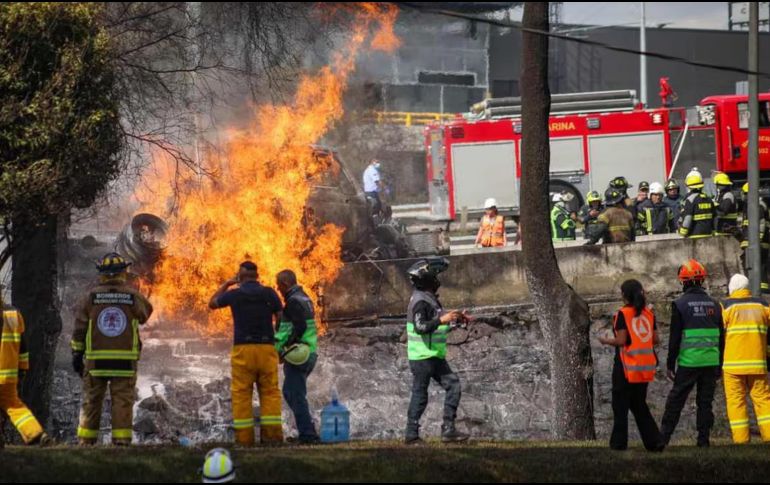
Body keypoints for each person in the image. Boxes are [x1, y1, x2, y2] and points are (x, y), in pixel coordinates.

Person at [71, 252, 153, 445]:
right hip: (124, 361)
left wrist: (76, 354)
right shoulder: (132, 296)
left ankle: (86, 443)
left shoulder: (90, 297)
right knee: (122, 402)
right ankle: (121, 443)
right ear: (123, 272)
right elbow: (145, 315)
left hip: (95, 361)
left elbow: (79, 328)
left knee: (91, 401)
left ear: (102, 274)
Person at [209, 261, 283, 446]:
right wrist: (276, 336)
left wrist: (227, 284)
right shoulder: (269, 293)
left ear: (240, 277)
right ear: (257, 276)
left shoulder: (234, 294)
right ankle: (272, 438)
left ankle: (244, 440)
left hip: (243, 350)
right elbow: (280, 316)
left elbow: (212, 303)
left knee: (242, 394)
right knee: (270, 393)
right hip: (267, 349)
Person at [404, 257, 470, 444]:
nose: (437, 280)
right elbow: (421, 328)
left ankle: (448, 429)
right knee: (420, 394)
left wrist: (455, 321)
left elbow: (436, 328)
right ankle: (411, 435)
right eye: (434, 277)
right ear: (425, 279)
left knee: (453, 385)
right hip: (422, 357)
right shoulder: (420, 301)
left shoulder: (430, 300)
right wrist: (442, 319)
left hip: (434, 355)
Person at [660, 259, 723, 447]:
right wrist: (719, 363)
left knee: (675, 401)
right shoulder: (715, 304)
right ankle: (703, 441)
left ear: (683, 281)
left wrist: (670, 364)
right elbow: (722, 337)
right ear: (702, 280)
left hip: (689, 362)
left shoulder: (680, 304)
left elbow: (675, 338)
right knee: (705, 403)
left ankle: (662, 440)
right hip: (711, 361)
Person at [599, 279, 664, 452]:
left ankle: (619, 444)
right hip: (644, 368)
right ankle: (654, 441)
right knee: (639, 405)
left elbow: (621, 340)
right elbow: (656, 339)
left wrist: (605, 340)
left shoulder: (623, 314)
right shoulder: (648, 314)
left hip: (626, 367)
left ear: (624, 296)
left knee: (620, 406)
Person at [720, 274, 770, 443]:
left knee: (736, 402)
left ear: (731, 289)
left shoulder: (725, 306)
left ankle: (741, 442)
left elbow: (719, 334)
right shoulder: (763, 305)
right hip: (758, 364)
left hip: (733, 366)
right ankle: (769, 437)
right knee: (763, 401)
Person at [275, 269, 320, 444]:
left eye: (279, 286)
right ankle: (308, 428)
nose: (278, 289)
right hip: (309, 352)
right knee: (292, 392)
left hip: (299, 354)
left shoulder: (293, 301)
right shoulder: (305, 298)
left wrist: (286, 347)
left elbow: (299, 327)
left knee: (294, 393)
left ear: (285, 284)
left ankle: (308, 434)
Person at [0, 294, 49, 446]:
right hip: (8, 375)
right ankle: (35, 433)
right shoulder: (14, 314)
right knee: (14, 406)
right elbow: (23, 348)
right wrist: (22, 370)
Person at [738, 183, 770, 293]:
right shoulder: (754, 205)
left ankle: (761, 291)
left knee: (758, 266)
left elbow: (761, 223)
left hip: (758, 243)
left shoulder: (757, 206)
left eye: (745, 193)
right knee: (759, 266)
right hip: (758, 242)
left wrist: (757, 241)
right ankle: (760, 289)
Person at [678, 169, 715, 239]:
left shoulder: (690, 200)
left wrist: (682, 233)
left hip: (695, 236)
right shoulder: (708, 199)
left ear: (689, 187)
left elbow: (687, 218)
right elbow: (714, 217)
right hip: (709, 235)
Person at [713, 172, 738, 236]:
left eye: (717, 184)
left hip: (728, 228)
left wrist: (715, 206)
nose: (716, 186)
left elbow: (724, 211)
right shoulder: (721, 195)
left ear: (721, 185)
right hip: (723, 228)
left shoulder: (728, 195)